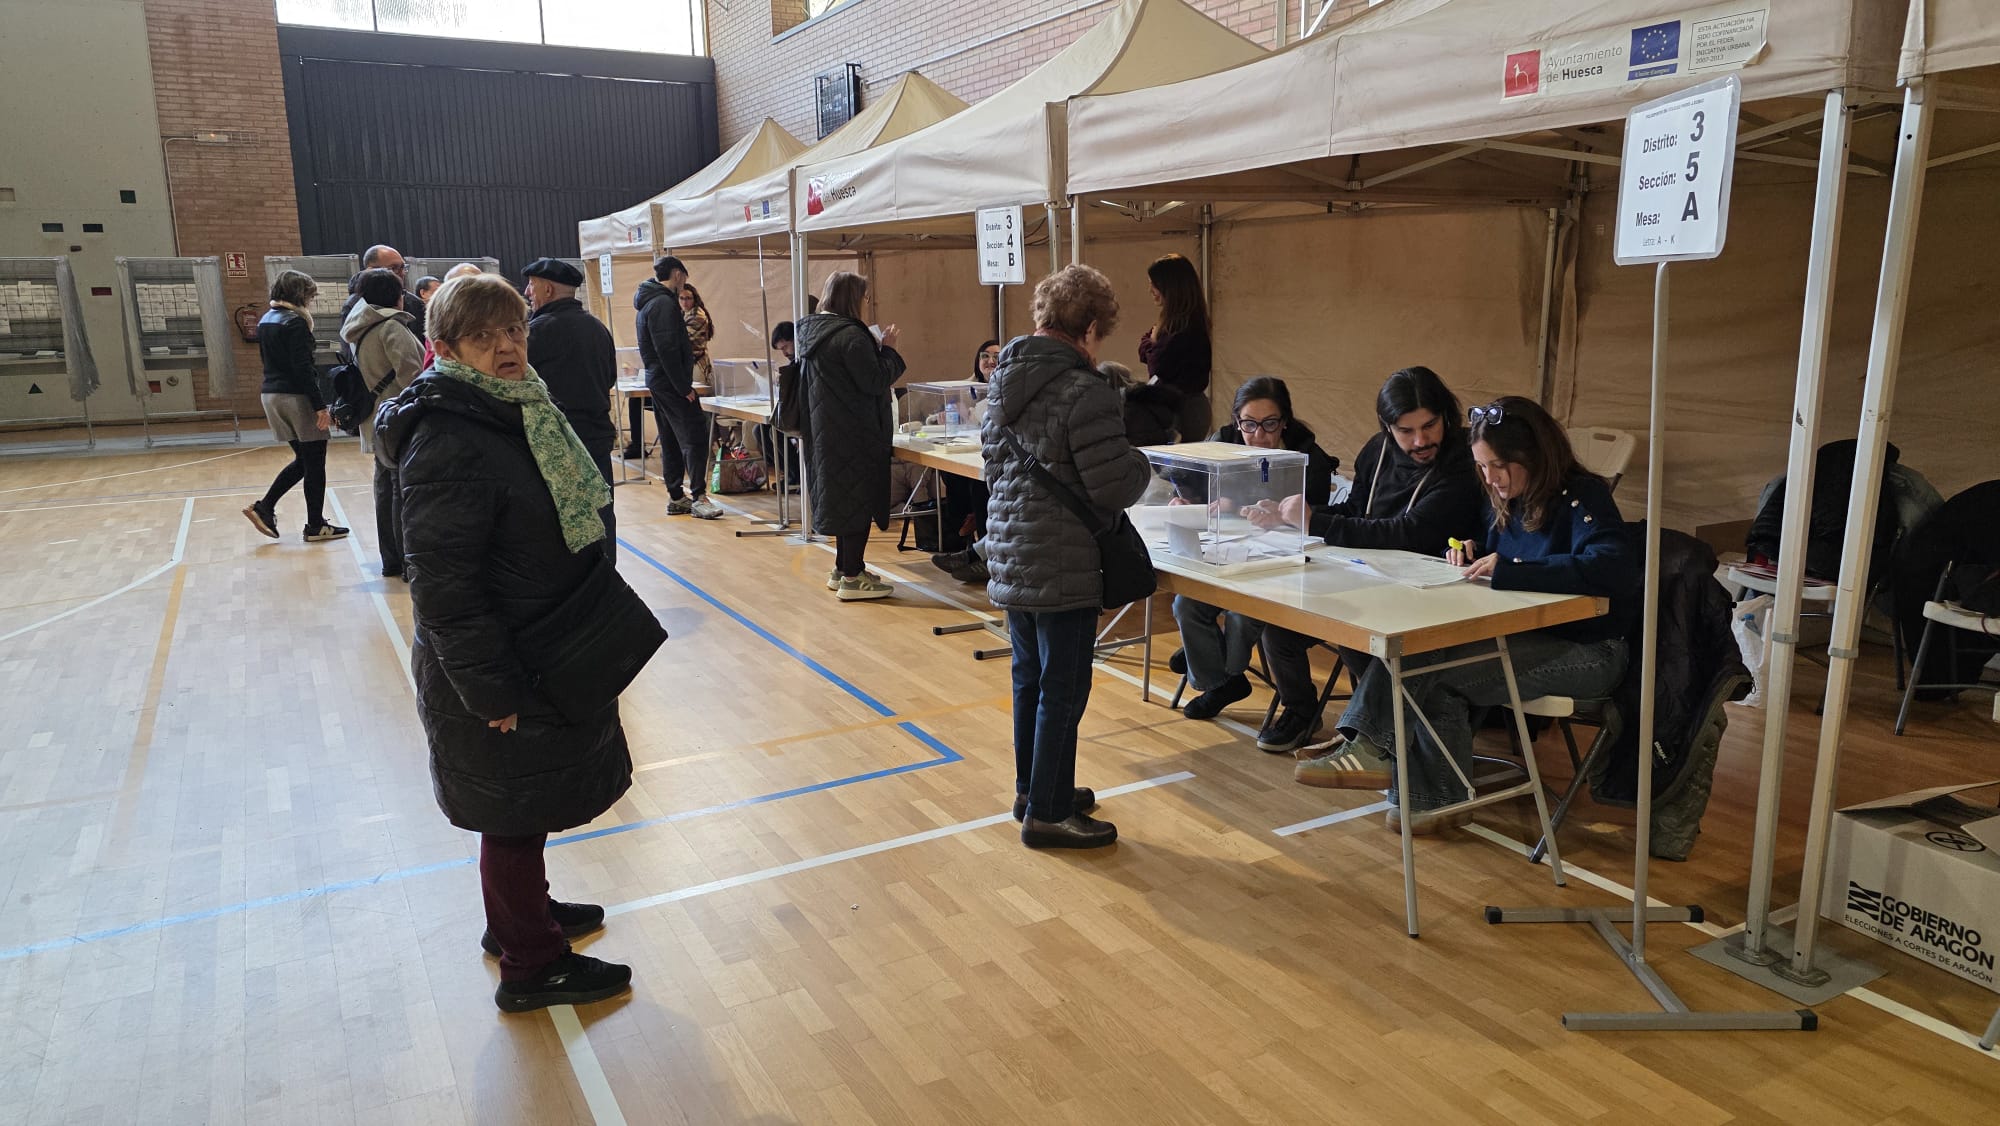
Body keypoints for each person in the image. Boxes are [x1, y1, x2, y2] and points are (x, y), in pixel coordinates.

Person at [374, 274, 638, 1013]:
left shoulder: (512, 409)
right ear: (446, 348)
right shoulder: (449, 436)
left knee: (525, 800)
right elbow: (444, 588)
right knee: (512, 812)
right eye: (484, 337)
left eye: (514, 330)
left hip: (539, 640)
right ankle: (531, 963)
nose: (507, 347)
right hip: (500, 660)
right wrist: (490, 689)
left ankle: (521, 915)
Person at [1302, 396, 1637, 834]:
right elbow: (1491, 544)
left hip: (1591, 651)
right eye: (1481, 466)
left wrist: (1514, 568)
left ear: (1534, 455)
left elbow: (1612, 565)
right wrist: (1471, 547)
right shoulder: (1505, 496)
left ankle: (1379, 754)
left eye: (1499, 465)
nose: (1490, 478)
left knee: (1431, 670)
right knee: (1423, 655)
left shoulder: (1582, 495)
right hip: (1528, 635)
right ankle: (1425, 792)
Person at [982, 265, 1151, 849]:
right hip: (1063, 559)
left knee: (1030, 679)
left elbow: (993, 472)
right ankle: (1050, 814)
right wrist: (1142, 460)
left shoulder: (1003, 384)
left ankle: (1034, 790)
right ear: (1092, 327)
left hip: (1010, 549)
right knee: (1064, 688)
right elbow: (1114, 485)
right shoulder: (1086, 390)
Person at [1288, 366, 1487, 780]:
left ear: (1446, 416)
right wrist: (1303, 515)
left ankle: (1374, 738)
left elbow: (1410, 533)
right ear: (1386, 426)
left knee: (1382, 630)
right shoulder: (1376, 450)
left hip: (1437, 589)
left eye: (1429, 426)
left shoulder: (1465, 459)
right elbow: (1358, 513)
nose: (1420, 441)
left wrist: (1316, 523)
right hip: (1378, 575)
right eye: (1405, 431)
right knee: (1309, 619)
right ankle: (1370, 731)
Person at [1169, 377, 1338, 752]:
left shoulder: (1310, 458)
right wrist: (1189, 503)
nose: (1258, 435)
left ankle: (1220, 666)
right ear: (1236, 420)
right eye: (1249, 424)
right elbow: (1194, 485)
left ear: (1285, 422)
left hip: (1285, 564)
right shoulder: (1224, 442)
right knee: (1185, 604)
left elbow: (1319, 522)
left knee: (1244, 615)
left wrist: (1281, 518)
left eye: (1269, 424)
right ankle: (1222, 680)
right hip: (1230, 554)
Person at [797, 272, 906, 600]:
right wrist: (889, 351)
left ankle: (845, 567)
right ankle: (853, 577)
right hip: (855, 433)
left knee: (844, 504)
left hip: (827, 432)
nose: (867, 303)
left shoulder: (815, 332)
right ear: (852, 298)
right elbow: (874, 381)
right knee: (858, 504)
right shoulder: (850, 336)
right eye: (865, 297)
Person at [525, 257, 619, 562]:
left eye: (532, 285)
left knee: (561, 519)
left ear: (548, 290)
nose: (527, 292)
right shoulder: (598, 328)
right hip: (597, 435)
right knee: (601, 512)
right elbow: (610, 377)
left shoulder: (536, 332)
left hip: (556, 441)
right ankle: (606, 575)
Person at [243, 269, 347, 542]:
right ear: (300, 295)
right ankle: (315, 525)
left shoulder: (267, 319)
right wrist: (320, 406)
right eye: (310, 296)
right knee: (315, 462)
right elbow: (303, 369)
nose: (311, 301)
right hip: (295, 397)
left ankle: (265, 507)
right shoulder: (295, 322)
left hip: (271, 395)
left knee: (304, 460)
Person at [339, 267, 425, 574]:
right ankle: (406, 560)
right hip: (398, 417)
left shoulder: (359, 326)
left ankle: (391, 559)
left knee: (385, 488)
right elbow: (413, 377)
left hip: (376, 416)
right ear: (397, 295)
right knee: (400, 490)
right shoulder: (391, 327)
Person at [634, 256, 722, 519]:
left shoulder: (649, 301)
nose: (684, 284)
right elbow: (668, 349)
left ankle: (676, 496)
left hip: (659, 380)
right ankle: (699, 496)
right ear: (677, 274)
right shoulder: (662, 303)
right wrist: (684, 387)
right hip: (670, 382)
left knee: (670, 439)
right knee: (694, 435)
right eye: (684, 277)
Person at [930, 340, 1004, 583]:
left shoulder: (1006, 389)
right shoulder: (965, 388)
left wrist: (969, 415)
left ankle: (977, 551)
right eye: (985, 356)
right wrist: (943, 417)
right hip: (968, 452)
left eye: (996, 356)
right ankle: (965, 526)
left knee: (980, 485)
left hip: (992, 458)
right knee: (949, 472)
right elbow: (939, 417)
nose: (990, 361)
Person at [1136, 253, 1212, 442]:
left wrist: (1152, 342)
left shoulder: (1188, 328)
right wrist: (1152, 343)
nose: (1150, 290)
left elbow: (1156, 364)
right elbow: (1146, 350)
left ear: (1170, 287)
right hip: (1177, 408)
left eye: (1154, 284)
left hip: (1184, 413)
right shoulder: (1175, 323)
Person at [340, 244, 426, 338]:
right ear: (371, 271)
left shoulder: (415, 303)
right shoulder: (354, 305)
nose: (402, 273)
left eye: (403, 267)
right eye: (393, 268)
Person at [680, 281, 715, 390]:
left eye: (688, 298)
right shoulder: (684, 313)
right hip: (690, 365)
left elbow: (684, 342)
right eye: (681, 298)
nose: (684, 302)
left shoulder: (697, 315)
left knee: (697, 395)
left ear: (694, 299)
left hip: (696, 365)